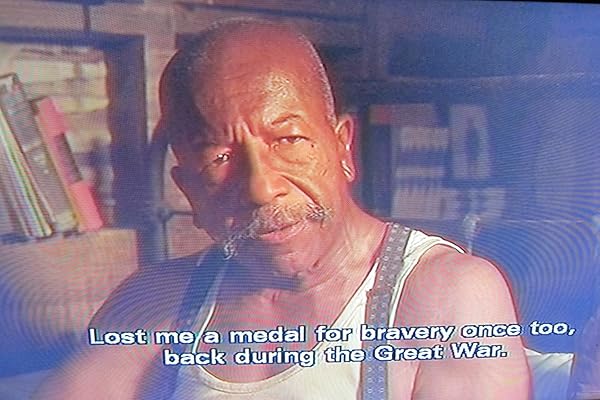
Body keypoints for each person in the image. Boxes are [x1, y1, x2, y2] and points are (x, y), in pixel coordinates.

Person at [36, 19, 530, 399]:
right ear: (187, 189)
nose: (261, 187)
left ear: (342, 146)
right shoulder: (154, 300)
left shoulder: (446, 292)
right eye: (219, 158)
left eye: (288, 140)